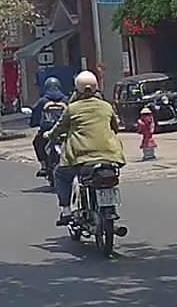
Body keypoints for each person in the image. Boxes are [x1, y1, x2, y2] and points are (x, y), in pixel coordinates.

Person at [46, 71, 127, 225]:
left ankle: (66, 210)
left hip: (81, 158)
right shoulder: (106, 106)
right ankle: (110, 209)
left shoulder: (72, 108)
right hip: (111, 156)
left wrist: (49, 135)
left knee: (60, 174)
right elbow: (115, 127)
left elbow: (59, 128)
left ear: (77, 89)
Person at [30, 77, 68, 177]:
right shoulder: (66, 100)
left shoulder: (42, 101)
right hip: (63, 131)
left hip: (46, 132)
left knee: (37, 143)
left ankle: (43, 166)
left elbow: (35, 116)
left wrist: (33, 123)